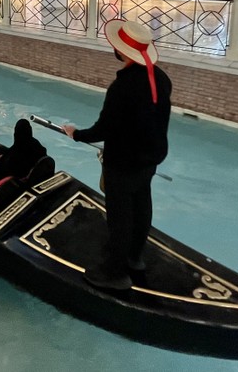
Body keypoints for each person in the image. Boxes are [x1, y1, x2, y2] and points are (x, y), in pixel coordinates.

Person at [62, 19, 172, 291]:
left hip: (123, 163)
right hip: (149, 159)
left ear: (122, 51)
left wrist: (76, 134)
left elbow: (104, 128)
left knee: (120, 217)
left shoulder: (122, 88)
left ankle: (113, 273)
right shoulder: (160, 78)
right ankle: (135, 258)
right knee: (142, 205)